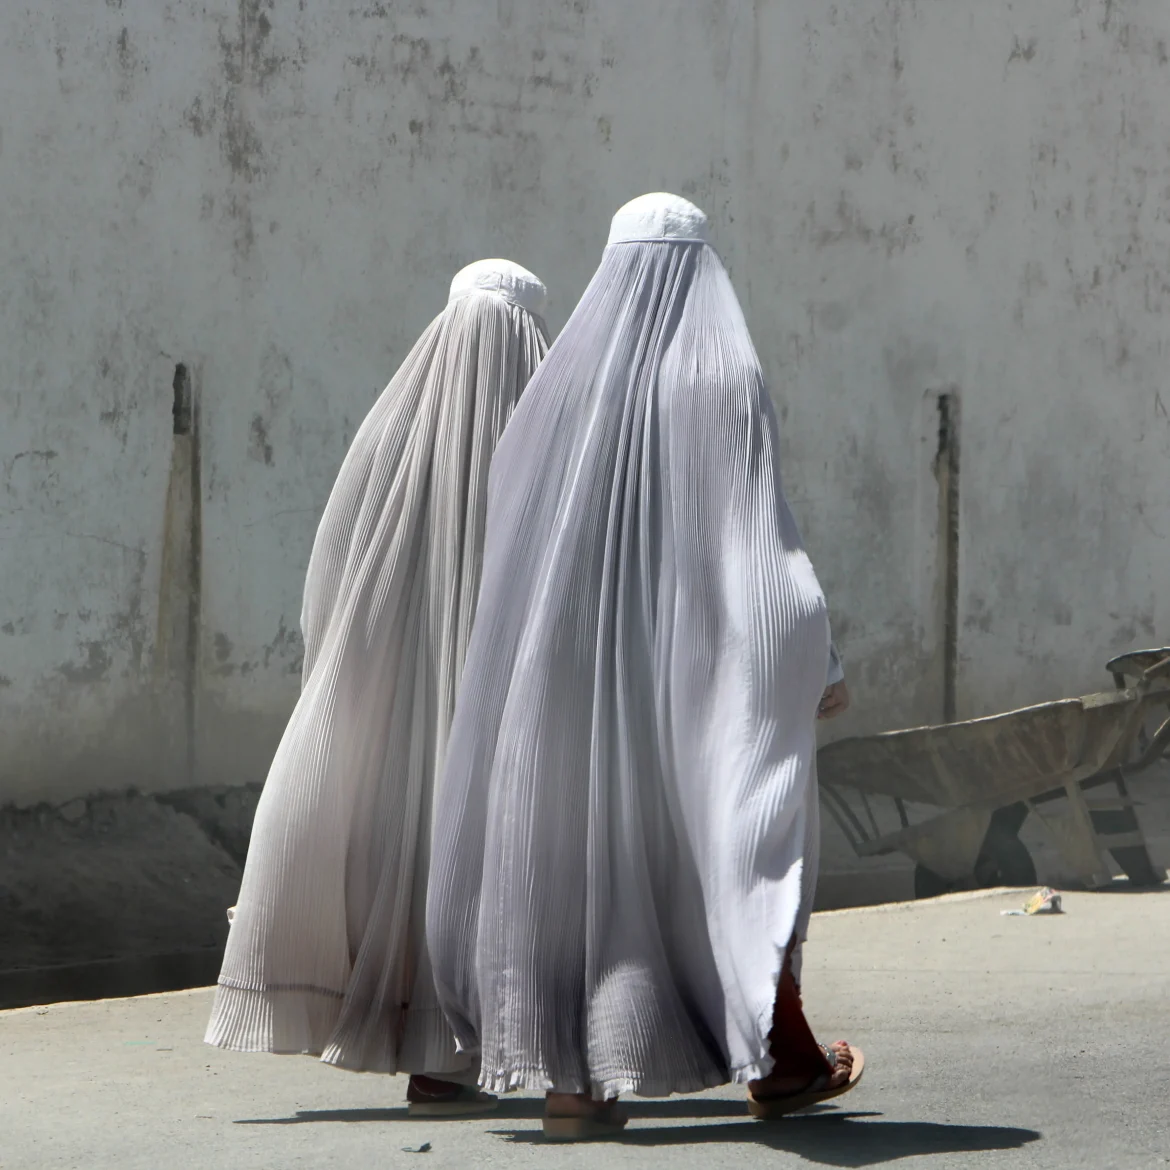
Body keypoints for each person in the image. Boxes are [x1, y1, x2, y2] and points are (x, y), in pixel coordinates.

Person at [426, 195, 861, 1140]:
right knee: (700, 856)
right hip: (681, 682)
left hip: (560, 682)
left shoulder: (557, 388)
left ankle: (576, 1089)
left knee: (577, 872)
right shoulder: (719, 372)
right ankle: (774, 1055)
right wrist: (811, 656)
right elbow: (755, 539)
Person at [205, 259, 550, 1116]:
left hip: (392, 711)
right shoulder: (551, 431)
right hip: (503, 711)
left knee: (395, 861)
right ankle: (455, 1053)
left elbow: (331, 566)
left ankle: (422, 1042)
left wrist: (341, 670)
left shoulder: (391, 429)